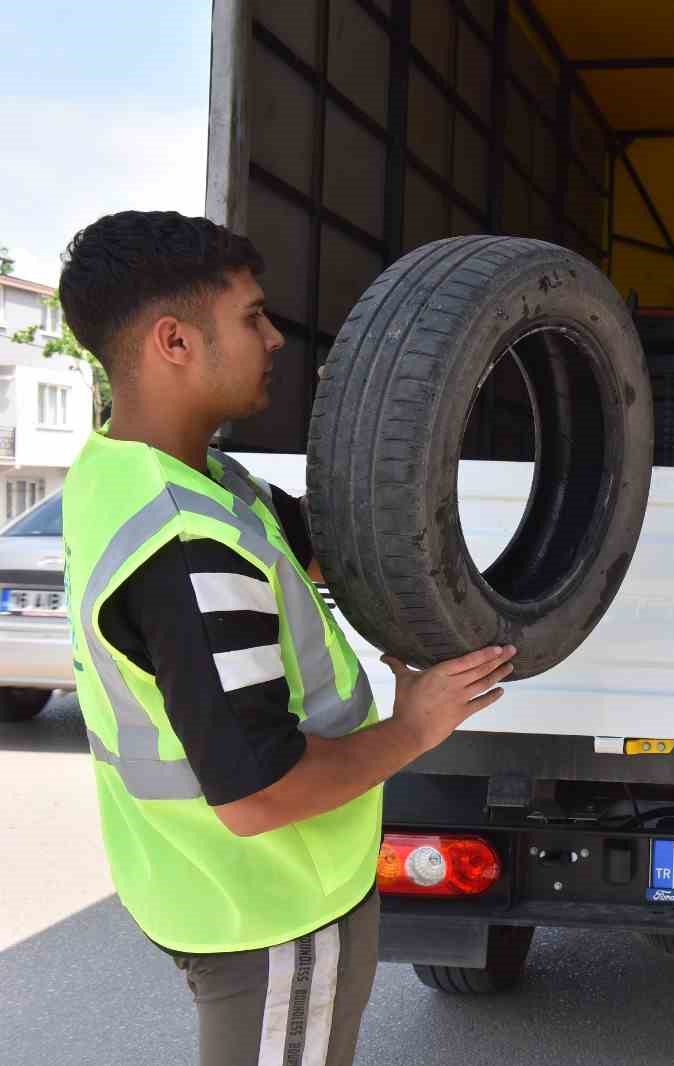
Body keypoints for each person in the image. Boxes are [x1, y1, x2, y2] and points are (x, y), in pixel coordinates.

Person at [57, 211, 518, 1066]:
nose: (274, 338)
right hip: (272, 909)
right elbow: (258, 797)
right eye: (251, 317)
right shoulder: (186, 546)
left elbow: (324, 542)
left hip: (190, 885)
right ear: (174, 342)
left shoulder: (138, 474)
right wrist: (416, 726)